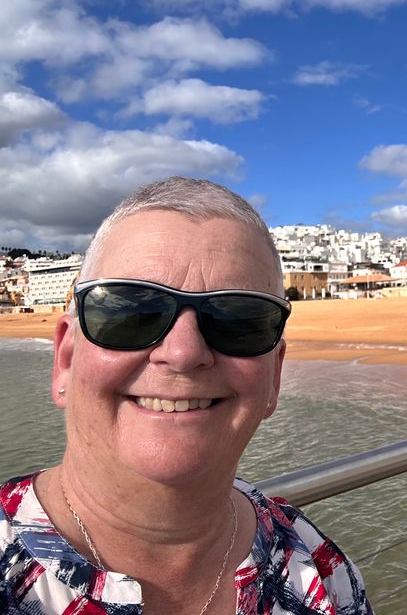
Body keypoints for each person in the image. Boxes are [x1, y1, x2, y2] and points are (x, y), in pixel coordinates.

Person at [0, 177, 372, 614]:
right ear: (65, 358)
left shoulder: (323, 577)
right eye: (133, 311)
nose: (183, 353)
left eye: (237, 319)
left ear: (274, 377)